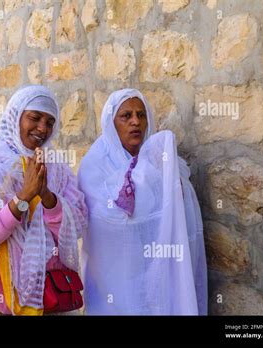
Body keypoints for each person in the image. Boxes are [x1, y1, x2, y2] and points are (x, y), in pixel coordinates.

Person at [0, 85, 88, 315]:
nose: (42, 128)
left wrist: (47, 197)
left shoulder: (57, 169)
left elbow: (77, 225)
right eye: (34, 118)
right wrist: (23, 197)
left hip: (52, 295)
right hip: (4, 300)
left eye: (50, 122)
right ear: (15, 117)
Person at [78, 88, 207, 315]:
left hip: (159, 272)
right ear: (111, 123)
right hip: (115, 279)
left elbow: (179, 209)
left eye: (141, 115)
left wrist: (157, 172)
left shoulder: (167, 163)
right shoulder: (95, 164)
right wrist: (148, 177)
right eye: (126, 116)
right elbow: (106, 219)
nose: (135, 122)